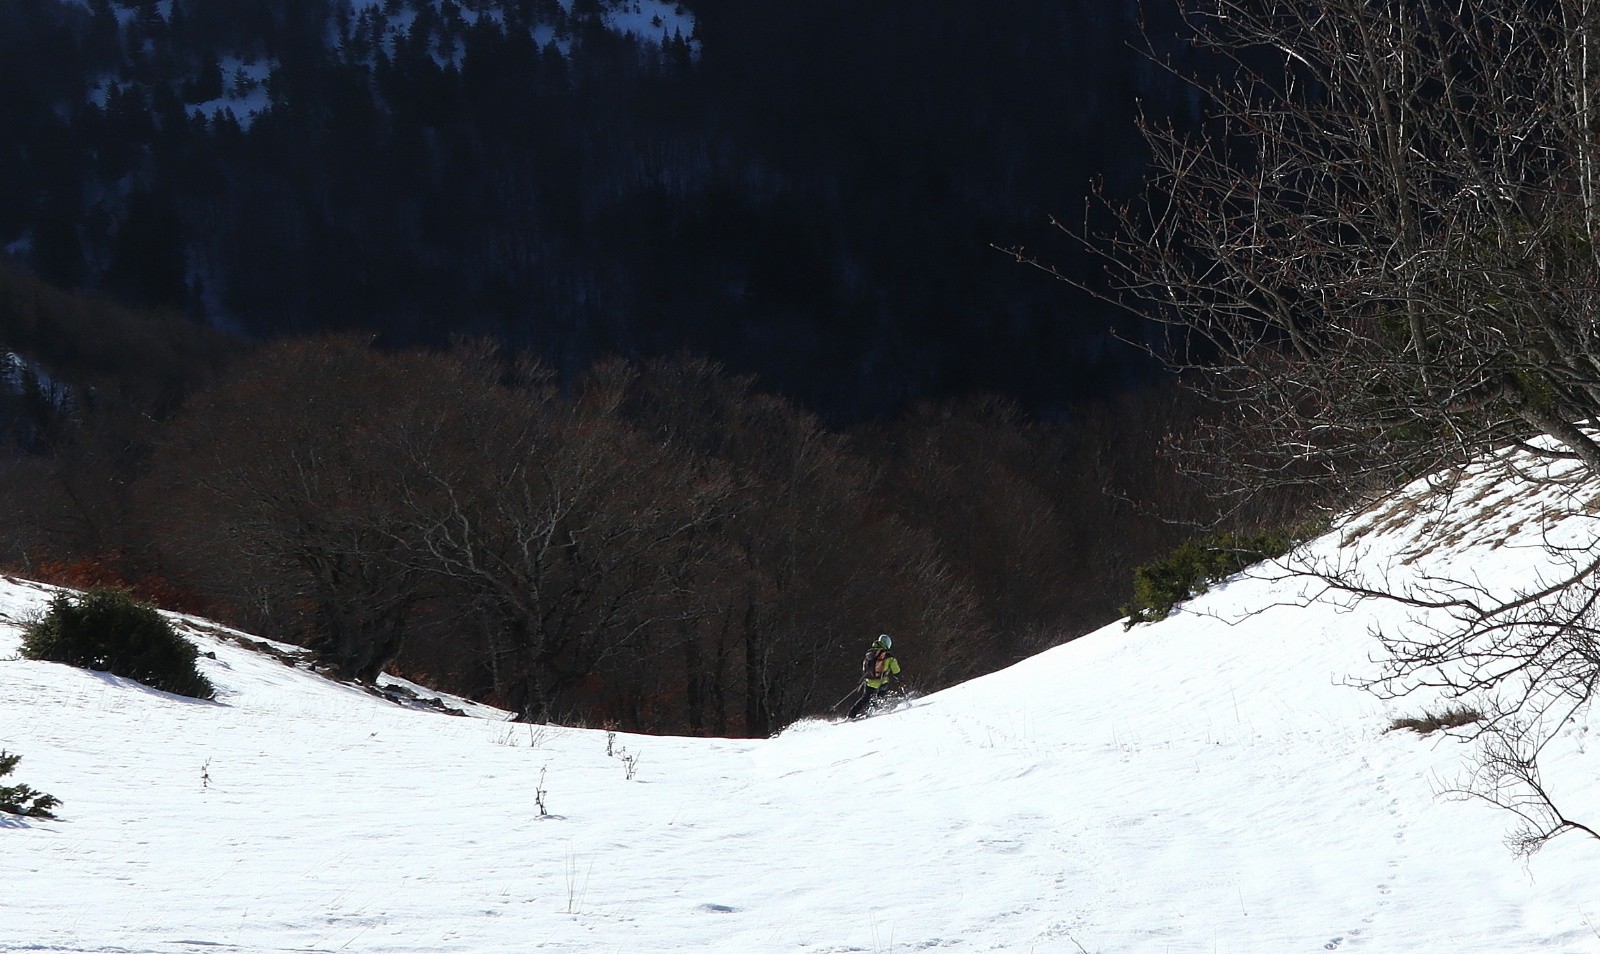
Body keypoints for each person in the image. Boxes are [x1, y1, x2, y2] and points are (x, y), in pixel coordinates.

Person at [847, 634, 901, 720]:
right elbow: (896, 670)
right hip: (881, 681)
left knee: (865, 698)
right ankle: (875, 710)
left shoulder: (870, 653)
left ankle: (851, 714)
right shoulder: (888, 656)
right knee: (881, 697)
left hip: (869, 680)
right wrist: (899, 677)